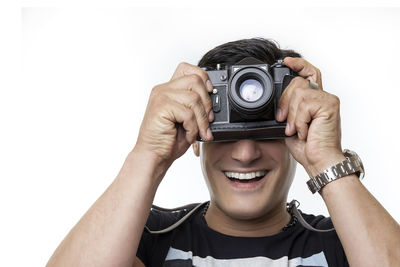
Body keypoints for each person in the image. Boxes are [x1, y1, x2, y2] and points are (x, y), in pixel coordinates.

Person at [46, 38, 400, 267]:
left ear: (298, 132)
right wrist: (149, 154)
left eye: (267, 130)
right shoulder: (144, 236)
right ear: (195, 134)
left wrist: (326, 158)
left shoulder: (344, 245)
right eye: (226, 132)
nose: (245, 154)